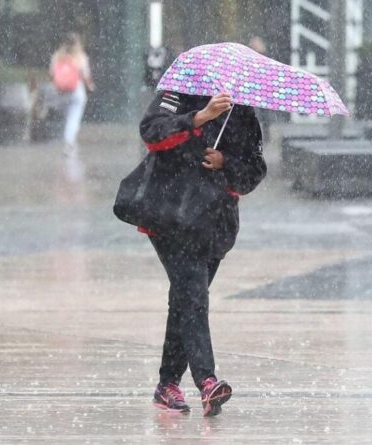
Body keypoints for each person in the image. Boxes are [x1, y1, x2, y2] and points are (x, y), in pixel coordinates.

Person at [138, 90, 266, 416]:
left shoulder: (243, 112)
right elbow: (152, 133)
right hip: (171, 214)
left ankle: (167, 384)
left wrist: (227, 163)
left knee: (186, 297)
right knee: (193, 293)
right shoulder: (177, 94)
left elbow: (255, 169)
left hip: (214, 222)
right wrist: (199, 118)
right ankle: (207, 381)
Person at [50, 33, 95, 155]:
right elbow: (86, 75)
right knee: (73, 118)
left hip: (61, 92)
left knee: (66, 117)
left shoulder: (57, 56)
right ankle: (69, 142)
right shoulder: (80, 57)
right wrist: (90, 85)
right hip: (76, 92)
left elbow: (53, 73)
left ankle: (67, 139)